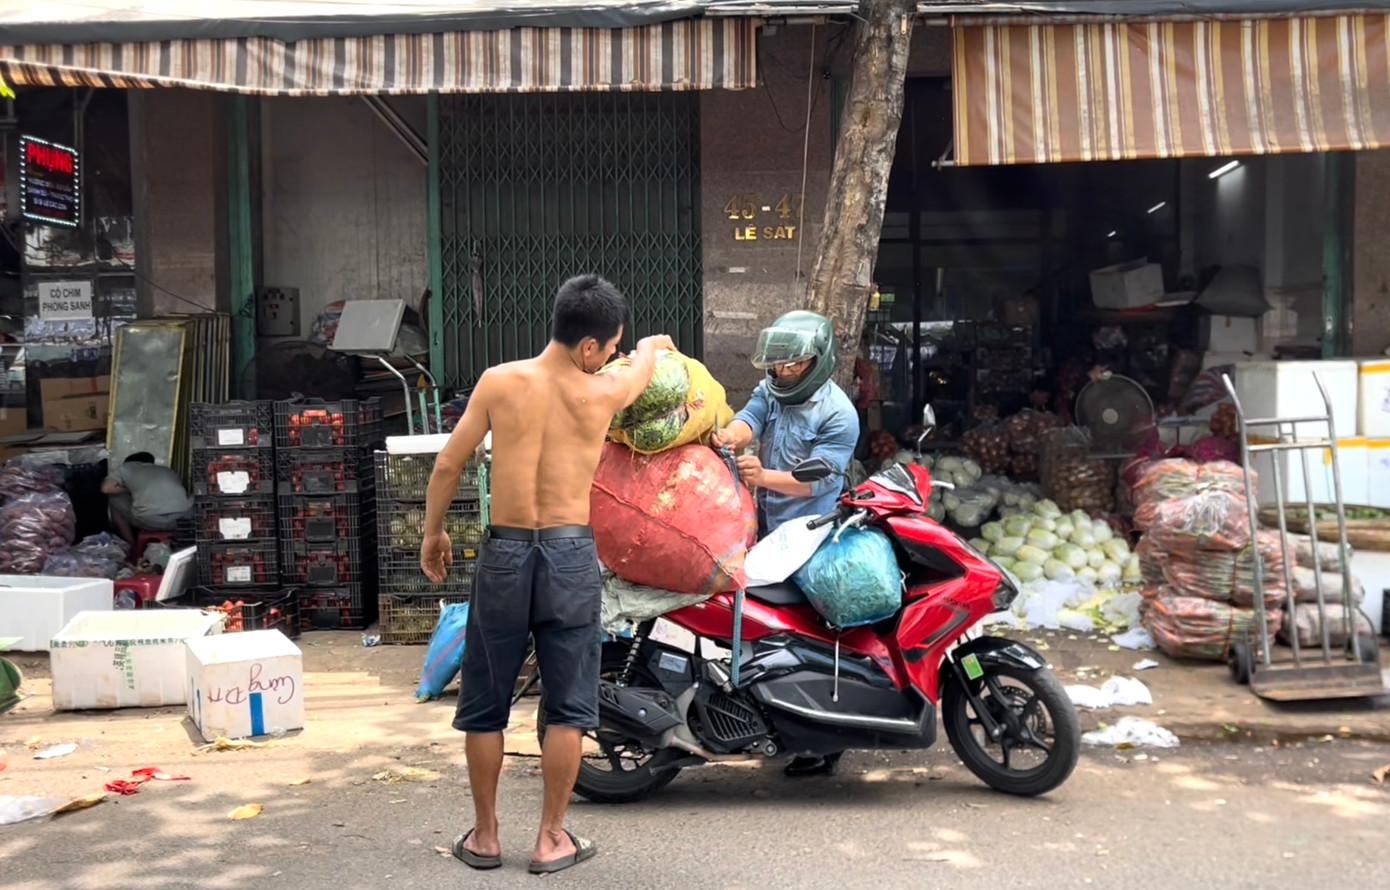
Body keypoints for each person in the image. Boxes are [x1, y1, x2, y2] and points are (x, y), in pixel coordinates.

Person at [420, 274, 673, 876]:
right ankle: (551, 839)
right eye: (609, 344)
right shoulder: (605, 389)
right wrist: (654, 346)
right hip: (567, 556)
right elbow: (645, 364)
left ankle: (484, 837)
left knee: (485, 703)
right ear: (590, 347)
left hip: (504, 553)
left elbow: (449, 463)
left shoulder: (499, 381)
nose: (613, 354)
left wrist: (434, 533)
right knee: (567, 704)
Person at [710, 309, 859, 778]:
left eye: (792, 366)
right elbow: (751, 417)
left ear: (819, 361)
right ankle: (772, 715)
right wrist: (730, 436)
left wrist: (765, 476)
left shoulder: (839, 414)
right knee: (766, 626)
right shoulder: (772, 389)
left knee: (809, 631)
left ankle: (822, 741)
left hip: (809, 533)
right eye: (777, 365)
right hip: (768, 528)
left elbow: (819, 481)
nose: (782, 373)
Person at [101, 452, 193, 548]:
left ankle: (132, 546)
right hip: (181, 520)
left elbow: (106, 489)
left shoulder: (127, 467)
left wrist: (128, 490)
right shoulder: (167, 470)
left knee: (114, 498)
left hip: (150, 521)